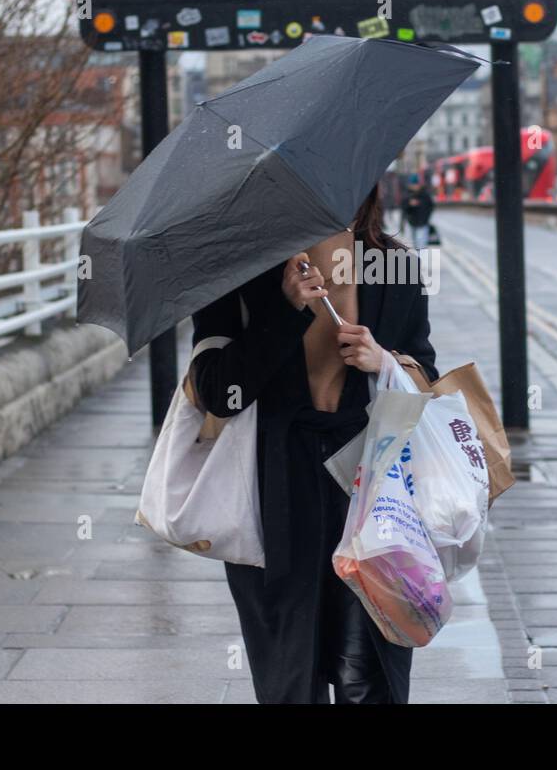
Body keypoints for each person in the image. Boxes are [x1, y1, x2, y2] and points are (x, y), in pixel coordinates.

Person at [188, 184, 439, 704]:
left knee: (366, 672)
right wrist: (283, 312)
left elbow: (424, 376)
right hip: (275, 485)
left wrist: (383, 360)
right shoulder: (236, 268)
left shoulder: (396, 266)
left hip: (369, 484)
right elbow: (217, 393)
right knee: (290, 675)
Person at [403, 174, 434, 249]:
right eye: (413, 184)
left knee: (422, 245)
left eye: (416, 184)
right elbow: (403, 208)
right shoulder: (407, 195)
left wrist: (426, 218)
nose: (414, 186)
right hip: (411, 222)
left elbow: (430, 207)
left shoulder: (425, 195)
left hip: (422, 223)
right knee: (411, 246)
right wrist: (409, 204)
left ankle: (422, 259)